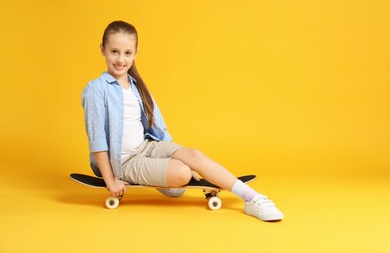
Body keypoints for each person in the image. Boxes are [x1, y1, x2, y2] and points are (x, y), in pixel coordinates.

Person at [82, 20, 284, 221]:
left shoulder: (135, 86)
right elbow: (97, 138)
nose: (120, 59)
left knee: (194, 155)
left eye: (127, 53)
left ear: (135, 53)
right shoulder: (97, 89)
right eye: (114, 51)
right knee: (183, 173)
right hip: (123, 162)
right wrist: (110, 180)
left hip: (146, 147)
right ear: (102, 49)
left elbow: (154, 128)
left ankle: (253, 198)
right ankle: (168, 176)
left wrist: (175, 156)